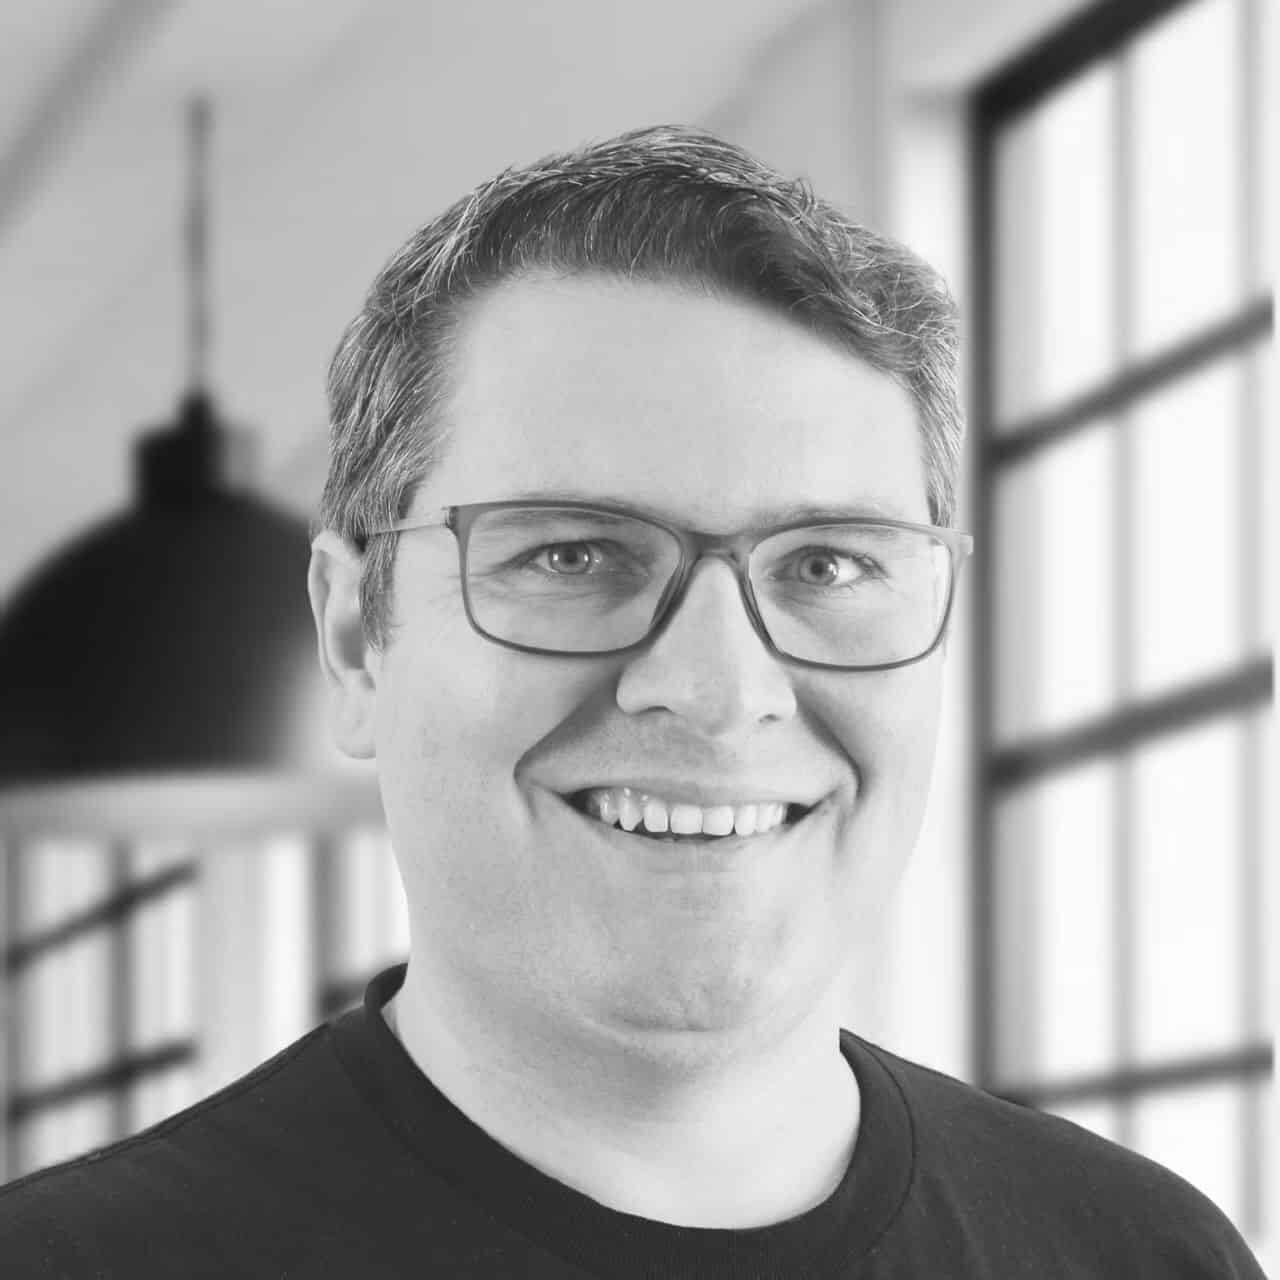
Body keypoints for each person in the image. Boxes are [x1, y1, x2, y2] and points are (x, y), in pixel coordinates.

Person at [0, 126, 1264, 1279]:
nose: (717, 689)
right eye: (573, 554)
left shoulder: (1145, 1258)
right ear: (352, 639)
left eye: (827, 565)